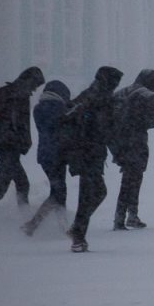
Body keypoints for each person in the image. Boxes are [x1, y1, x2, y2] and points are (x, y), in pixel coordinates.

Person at [63, 66, 123, 252]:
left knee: (96, 192)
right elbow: (106, 129)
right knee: (90, 193)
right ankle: (78, 237)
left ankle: (77, 230)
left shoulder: (88, 94)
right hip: (90, 152)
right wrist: (118, 153)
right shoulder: (101, 99)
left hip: (82, 151)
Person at [0, 66, 45, 221]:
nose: (34, 90)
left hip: (4, 144)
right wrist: (17, 138)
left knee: (17, 184)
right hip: (8, 146)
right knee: (6, 186)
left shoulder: (7, 93)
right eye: (35, 85)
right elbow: (18, 123)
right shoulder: (17, 96)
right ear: (28, 81)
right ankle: (24, 222)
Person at [110, 69, 154, 231]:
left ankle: (122, 216)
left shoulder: (120, 93)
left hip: (118, 141)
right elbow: (152, 122)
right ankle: (129, 215)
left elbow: (109, 117)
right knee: (134, 178)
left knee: (127, 177)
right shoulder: (148, 96)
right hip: (136, 142)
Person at [22, 80, 71, 236]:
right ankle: (34, 224)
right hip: (57, 155)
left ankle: (61, 225)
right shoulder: (58, 108)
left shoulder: (38, 108)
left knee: (58, 190)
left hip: (45, 155)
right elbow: (64, 128)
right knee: (58, 192)